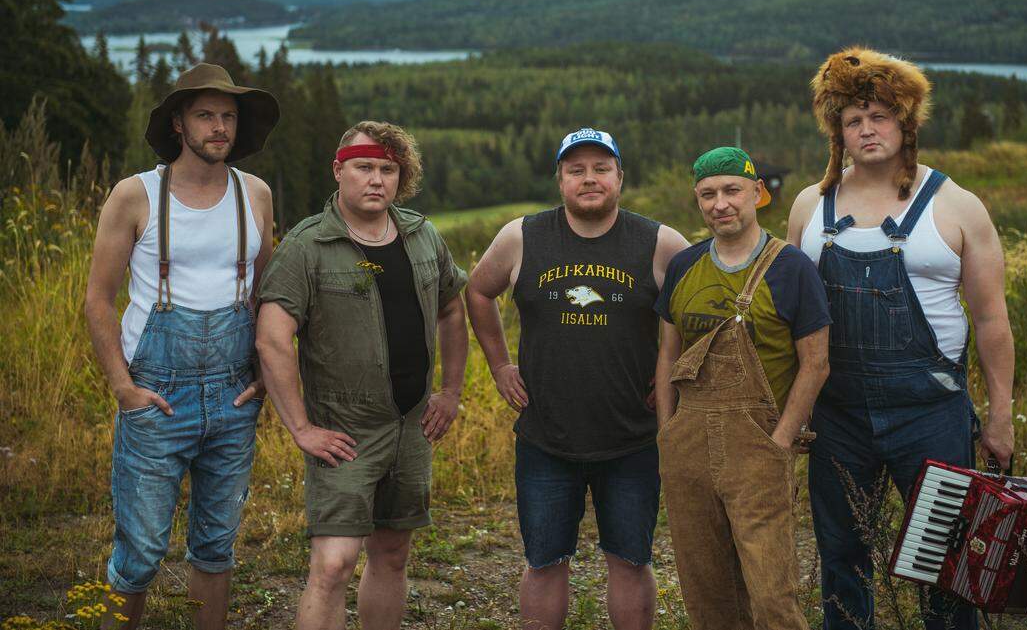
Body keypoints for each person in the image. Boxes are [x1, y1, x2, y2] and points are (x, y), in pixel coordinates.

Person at [786, 47, 1016, 630]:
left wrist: (1001, 415)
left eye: (879, 116)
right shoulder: (810, 206)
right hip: (838, 416)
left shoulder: (956, 206)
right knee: (842, 559)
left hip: (931, 411)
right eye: (853, 120)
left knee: (943, 561)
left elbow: (991, 320)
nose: (867, 129)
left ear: (905, 121)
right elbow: (793, 319)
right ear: (837, 131)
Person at [465, 128, 689, 630]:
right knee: (544, 562)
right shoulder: (522, 236)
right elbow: (478, 292)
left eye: (601, 168)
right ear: (560, 179)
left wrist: (674, 376)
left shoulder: (659, 241)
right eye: (576, 170)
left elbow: (700, 309)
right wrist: (500, 365)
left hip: (632, 437)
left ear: (620, 177)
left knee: (631, 560)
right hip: (546, 437)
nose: (589, 179)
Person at [85, 63, 279, 630]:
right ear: (178, 124)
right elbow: (98, 300)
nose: (219, 127)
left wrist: (267, 372)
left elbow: (271, 293)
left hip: (233, 393)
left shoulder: (256, 194)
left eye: (228, 116)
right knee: (140, 553)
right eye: (205, 115)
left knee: (217, 547)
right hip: (156, 393)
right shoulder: (136, 195)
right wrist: (124, 388)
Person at [255, 120, 469, 630]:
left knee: (392, 554)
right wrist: (302, 428)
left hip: (412, 423)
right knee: (332, 565)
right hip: (345, 429)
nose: (376, 180)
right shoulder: (307, 246)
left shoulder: (421, 234)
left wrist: (451, 392)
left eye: (387, 170)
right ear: (339, 171)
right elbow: (271, 338)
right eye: (364, 167)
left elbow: (452, 310)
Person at [654, 147, 830, 629]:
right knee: (705, 589)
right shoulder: (684, 266)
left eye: (732, 190)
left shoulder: (792, 267)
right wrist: (667, 433)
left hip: (758, 444)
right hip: (686, 443)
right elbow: (668, 356)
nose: (720, 204)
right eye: (708, 194)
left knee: (772, 592)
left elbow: (816, 365)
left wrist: (780, 441)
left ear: (758, 194)